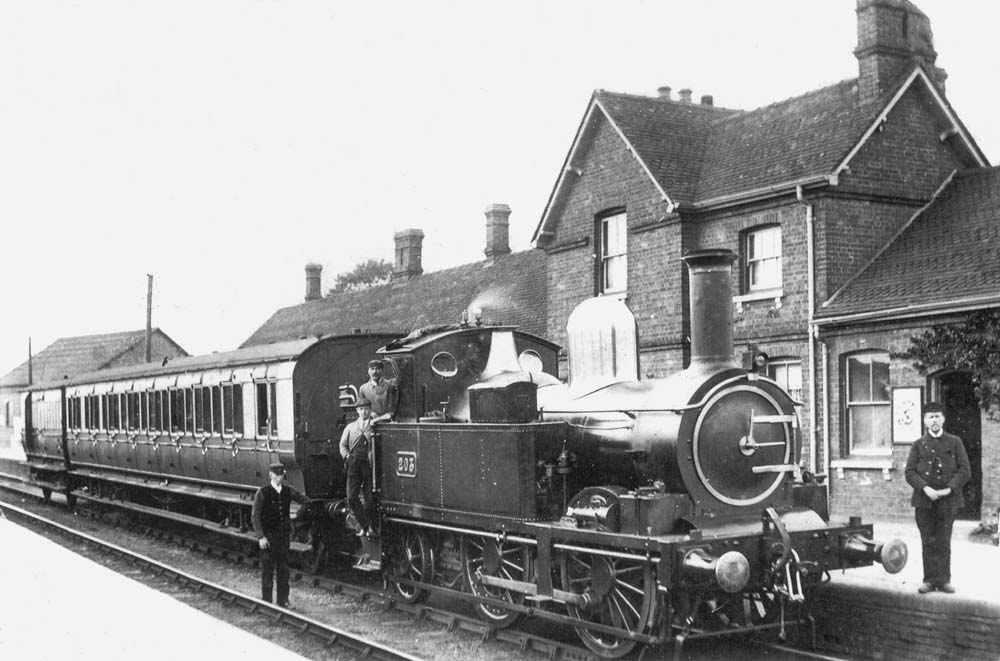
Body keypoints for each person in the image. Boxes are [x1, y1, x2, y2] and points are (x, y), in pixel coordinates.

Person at [904, 402, 971, 594]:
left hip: (948, 501)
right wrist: (925, 488)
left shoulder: (955, 442)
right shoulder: (918, 445)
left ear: (943, 419)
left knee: (944, 541)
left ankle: (944, 580)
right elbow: (909, 472)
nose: (934, 420)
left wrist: (949, 489)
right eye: (930, 416)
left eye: (937, 416)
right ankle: (929, 580)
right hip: (924, 501)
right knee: (928, 541)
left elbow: (965, 470)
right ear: (925, 420)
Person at [251, 462, 308, 608]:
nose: (279, 477)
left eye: (281, 474)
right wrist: (261, 536)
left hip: (283, 538)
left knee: (284, 571)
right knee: (267, 571)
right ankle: (267, 602)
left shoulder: (288, 491)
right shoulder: (263, 492)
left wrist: (297, 514)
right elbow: (255, 516)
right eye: (276, 475)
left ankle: (283, 601)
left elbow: (306, 501)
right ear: (270, 475)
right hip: (268, 538)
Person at [340, 396, 375, 537]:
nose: (364, 412)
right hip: (354, 464)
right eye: (361, 409)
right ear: (357, 411)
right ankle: (365, 524)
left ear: (370, 410)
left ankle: (370, 528)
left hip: (368, 464)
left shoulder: (374, 425)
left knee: (369, 498)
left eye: (366, 409)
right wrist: (347, 457)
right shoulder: (350, 427)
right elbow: (342, 445)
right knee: (351, 497)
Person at [359, 358, 397, 423]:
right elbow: (362, 408)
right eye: (372, 369)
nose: (375, 372)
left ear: (382, 371)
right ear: (368, 371)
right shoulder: (363, 389)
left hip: (388, 423)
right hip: (370, 423)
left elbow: (392, 410)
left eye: (378, 369)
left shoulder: (390, 386)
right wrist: (370, 414)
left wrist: (380, 418)